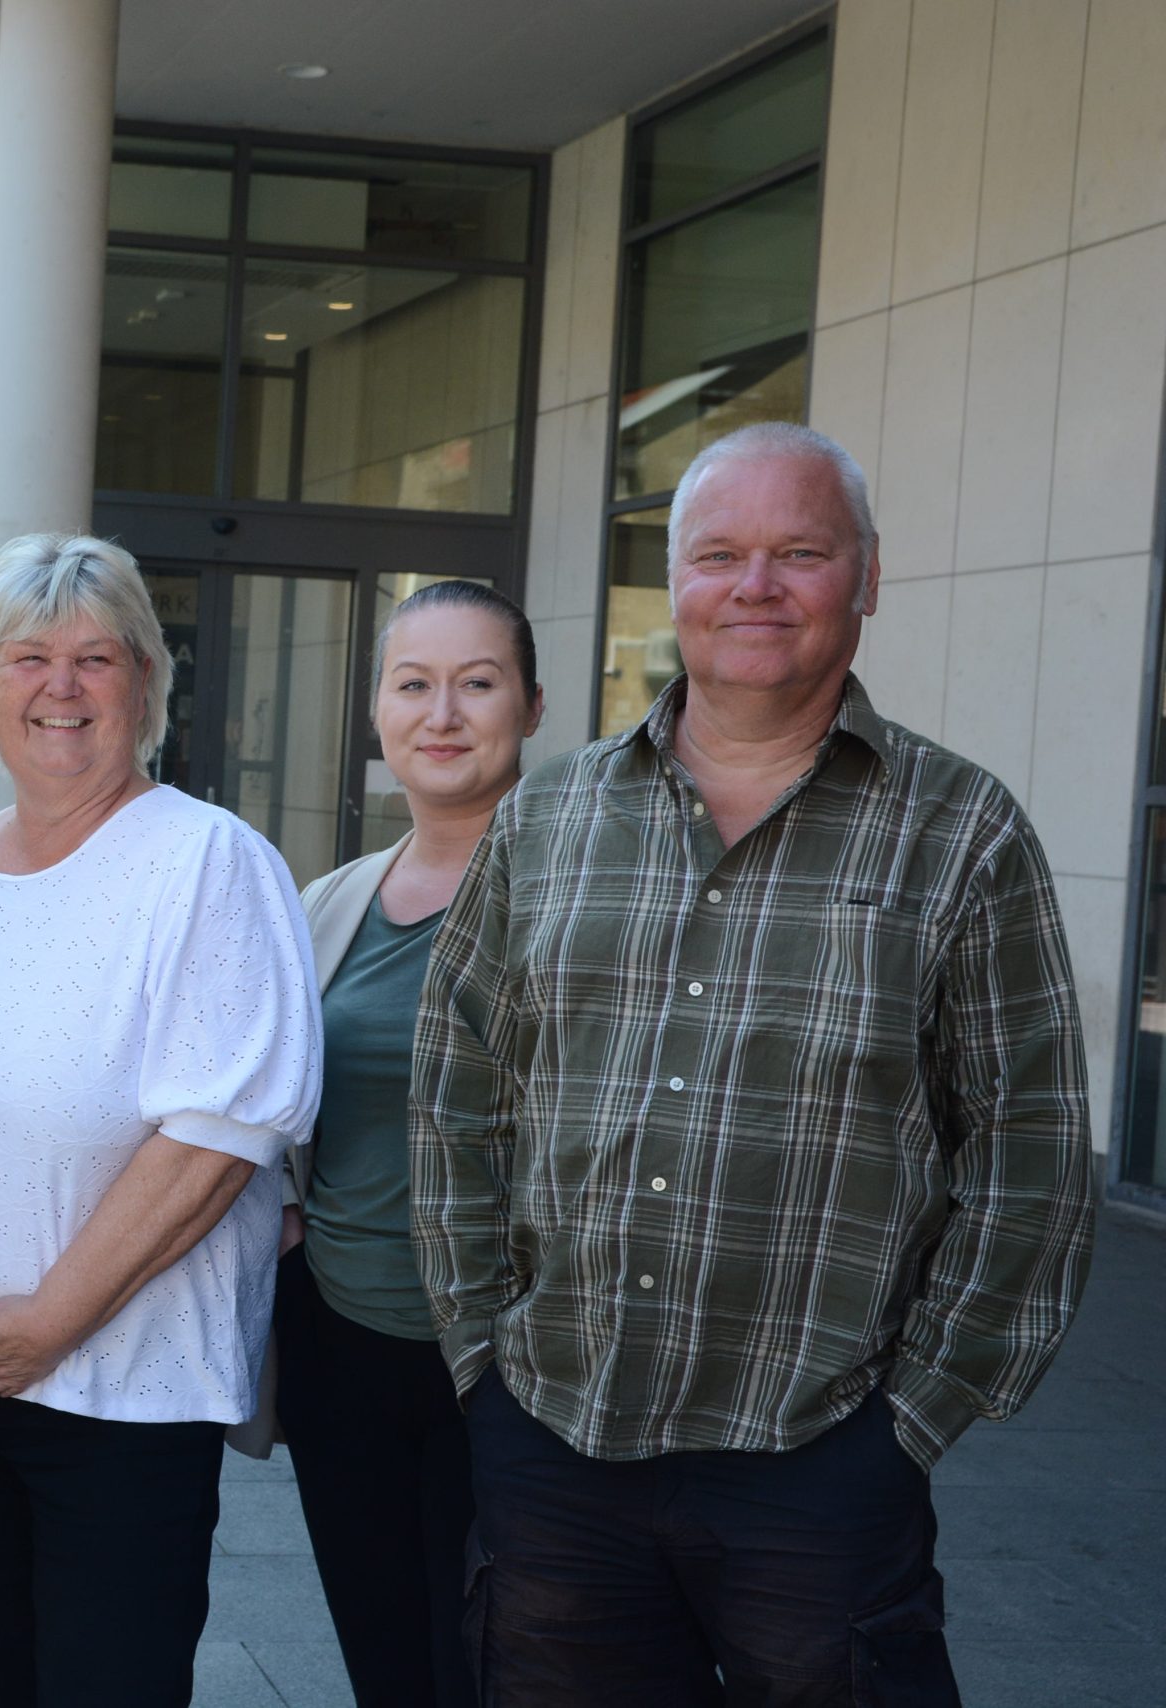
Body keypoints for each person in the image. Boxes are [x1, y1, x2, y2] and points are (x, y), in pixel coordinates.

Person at [413, 421, 1096, 1706]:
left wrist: (912, 1421)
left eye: (800, 552)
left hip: (821, 1458)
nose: (755, 586)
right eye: (718, 554)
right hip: (557, 1437)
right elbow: (461, 1099)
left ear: (869, 576)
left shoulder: (963, 832)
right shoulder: (549, 820)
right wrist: (480, 1363)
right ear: (671, 581)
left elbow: (1031, 1150)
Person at [0, 533, 322, 1708]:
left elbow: (223, 1129)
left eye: (96, 658)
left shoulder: (207, 863)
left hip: (123, 1398)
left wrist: (50, 1321)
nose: (60, 688)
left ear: (146, 686)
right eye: (27, 657)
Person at [272, 580, 540, 1707]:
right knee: (386, 1657)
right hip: (344, 1346)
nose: (442, 713)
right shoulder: (326, 901)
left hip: (519, 1362)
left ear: (528, 704)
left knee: (499, 1660)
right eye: (412, 684)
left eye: (476, 683)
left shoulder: (580, 894)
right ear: (377, 712)